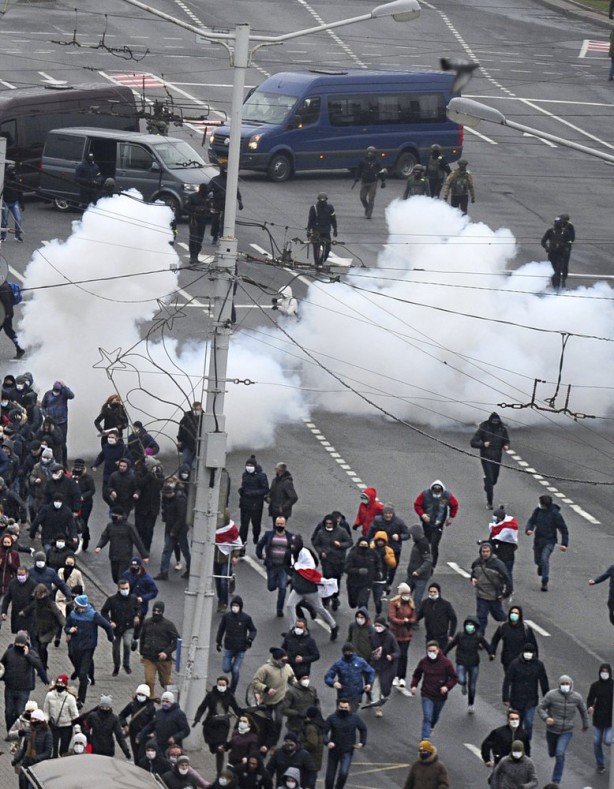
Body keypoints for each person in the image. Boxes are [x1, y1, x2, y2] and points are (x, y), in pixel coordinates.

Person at [64, 593, 114, 708]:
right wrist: (69, 630)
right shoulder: (73, 614)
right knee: (77, 667)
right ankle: (83, 676)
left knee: (82, 674)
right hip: (76, 645)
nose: (74, 606)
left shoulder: (93, 615)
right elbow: (66, 626)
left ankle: (81, 700)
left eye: (75, 604)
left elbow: (106, 625)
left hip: (88, 646)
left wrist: (110, 638)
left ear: (81, 606)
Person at [538, 674, 589, 785]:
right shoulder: (551, 695)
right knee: (552, 753)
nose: (565, 685)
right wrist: (546, 718)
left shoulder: (576, 697)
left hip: (566, 731)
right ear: (559, 685)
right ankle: (552, 752)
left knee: (560, 753)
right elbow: (540, 708)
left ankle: (556, 780)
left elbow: (583, 710)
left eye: (567, 684)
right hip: (552, 730)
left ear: (571, 685)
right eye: (563, 684)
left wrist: (586, 724)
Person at [285, 535, 338, 639]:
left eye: (294, 545)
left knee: (319, 609)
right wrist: (293, 578)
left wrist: (297, 574)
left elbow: (309, 569)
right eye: (291, 545)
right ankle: (292, 630)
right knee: (290, 605)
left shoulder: (306, 553)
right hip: (298, 588)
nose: (292, 547)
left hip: (309, 589)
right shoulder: (292, 554)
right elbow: (295, 569)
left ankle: (334, 626)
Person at [1, 630, 48, 733]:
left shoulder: (31, 653)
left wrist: (27, 656)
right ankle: (10, 731)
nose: (19, 647)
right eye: (17, 644)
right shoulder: (9, 652)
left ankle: (17, 731)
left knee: (19, 711)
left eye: (21, 645)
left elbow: (38, 665)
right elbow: (2, 665)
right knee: (9, 712)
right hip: (10, 687)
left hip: (24, 688)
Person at [193, 675, 242, 774]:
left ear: (227, 685)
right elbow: (202, 707)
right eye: (220, 684)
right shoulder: (210, 695)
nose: (221, 686)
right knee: (213, 747)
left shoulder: (229, 696)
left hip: (223, 725)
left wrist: (244, 716)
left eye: (223, 685)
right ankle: (214, 748)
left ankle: (219, 773)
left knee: (220, 748)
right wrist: (197, 718)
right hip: (211, 723)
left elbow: (236, 709)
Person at [443, 615, 492, 713]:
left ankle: (471, 704)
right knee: (460, 679)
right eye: (468, 624)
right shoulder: (460, 635)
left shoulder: (478, 637)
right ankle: (463, 684)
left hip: (473, 663)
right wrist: (444, 653)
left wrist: (491, 653)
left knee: (472, 686)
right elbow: (451, 645)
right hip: (461, 661)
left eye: (471, 625)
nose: (469, 627)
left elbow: (487, 646)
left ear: (475, 627)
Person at [410, 641, 457, 739]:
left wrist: (447, 687)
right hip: (427, 694)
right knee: (427, 717)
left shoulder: (446, 663)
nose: (432, 653)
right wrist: (414, 685)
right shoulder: (423, 662)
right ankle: (425, 740)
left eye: (434, 651)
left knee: (434, 717)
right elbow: (417, 674)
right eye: (429, 651)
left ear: (438, 650)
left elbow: (454, 678)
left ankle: (431, 727)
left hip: (440, 695)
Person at [503, 643, 549, 741]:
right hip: (516, 699)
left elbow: (544, 682)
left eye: (530, 652)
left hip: (531, 700)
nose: (528, 654)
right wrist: (505, 697)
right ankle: (516, 743)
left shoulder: (538, 665)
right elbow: (507, 681)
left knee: (528, 723)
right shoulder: (515, 664)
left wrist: (547, 699)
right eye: (526, 652)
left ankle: (526, 743)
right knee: (517, 724)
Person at [252, 647, 297, 747]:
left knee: (278, 722)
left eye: (286, 660)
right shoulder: (265, 669)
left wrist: (297, 685)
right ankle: (262, 741)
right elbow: (255, 682)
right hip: (266, 701)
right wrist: (266, 689)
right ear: (276, 659)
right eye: (283, 660)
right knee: (265, 722)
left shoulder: (287, 667)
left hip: (280, 699)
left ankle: (273, 744)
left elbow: (292, 679)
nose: (285, 662)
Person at [525, 494, 569, 592]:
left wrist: (564, 543)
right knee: (538, 560)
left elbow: (563, 529)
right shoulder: (538, 511)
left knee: (545, 558)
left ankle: (544, 581)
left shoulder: (555, 515)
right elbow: (531, 521)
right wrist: (529, 529)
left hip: (550, 540)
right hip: (538, 540)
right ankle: (540, 565)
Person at [96, 505, 149, 583]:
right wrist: (99, 546)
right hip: (113, 555)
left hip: (125, 556)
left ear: (121, 516)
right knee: (115, 577)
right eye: (112, 514)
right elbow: (105, 537)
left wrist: (144, 556)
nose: (113, 516)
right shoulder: (110, 526)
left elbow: (137, 541)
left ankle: (123, 588)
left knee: (121, 577)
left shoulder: (129, 527)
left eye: (115, 515)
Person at [216, 595, 257, 694]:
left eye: (237, 605)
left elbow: (253, 630)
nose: (235, 607)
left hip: (240, 648)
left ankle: (232, 690)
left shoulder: (246, 618)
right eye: (233, 605)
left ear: (240, 606)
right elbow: (221, 629)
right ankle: (233, 671)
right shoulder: (227, 617)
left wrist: (250, 639)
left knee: (235, 670)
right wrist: (218, 642)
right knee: (226, 669)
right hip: (229, 647)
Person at [413, 480, 459, 568]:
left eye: (439, 491)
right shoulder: (425, 494)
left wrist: (451, 517)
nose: (437, 492)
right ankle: (423, 561)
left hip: (438, 524)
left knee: (434, 544)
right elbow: (417, 504)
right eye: (435, 490)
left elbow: (454, 505)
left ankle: (432, 565)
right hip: (427, 523)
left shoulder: (446, 496)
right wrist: (422, 514)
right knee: (426, 543)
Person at [101, 577, 141, 676]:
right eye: (123, 588)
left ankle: (126, 664)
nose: (125, 590)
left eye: (127, 588)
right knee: (116, 649)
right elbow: (104, 612)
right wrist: (110, 621)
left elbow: (138, 609)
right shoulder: (112, 600)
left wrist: (137, 616)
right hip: (116, 628)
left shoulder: (133, 598)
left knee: (127, 643)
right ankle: (116, 666)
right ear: (119, 588)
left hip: (128, 626)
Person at [323, 698, 367, 789]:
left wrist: (362, 742)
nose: (343, 709)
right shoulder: (332, 718)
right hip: (334, 750)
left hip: (347, 750)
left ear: (349, 707)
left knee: (344, 773)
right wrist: (327, 742)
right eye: (341, 707)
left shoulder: (355, 718)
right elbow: (323, 732)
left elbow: (363, 729)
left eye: (345, 707)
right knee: (330, 777)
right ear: (338, 707)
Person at [312, 514, 352, 612]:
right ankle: (325, 599)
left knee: (336, 579)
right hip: (327, 560)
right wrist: (321, 552)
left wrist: (340, 545)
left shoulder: (342, 531)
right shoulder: (321, 532)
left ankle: (335, 597)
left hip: (339, 560)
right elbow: (316, 543)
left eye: (330, 523)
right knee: (327, 578)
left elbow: (350, 542)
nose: (328, 525)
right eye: (327, 523)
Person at [139, 600, 179, 697]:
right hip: (149, 658)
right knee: (149, 681)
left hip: (164, 660)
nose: (156, 613)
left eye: (158, 611)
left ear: (162, 612)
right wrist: (142, 653)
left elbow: (176, 640)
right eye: (154, 611)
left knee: (166, 682)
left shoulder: (168, 625)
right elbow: (142, 637)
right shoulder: (147, 623)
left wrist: (166, 652)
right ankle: (151, 699)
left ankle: (173, 697)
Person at [470, 412, 510, 509]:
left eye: (497, 421)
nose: (495, 423)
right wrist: (483, 444)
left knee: (494, 480)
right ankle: (489, 502)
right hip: (486, 458)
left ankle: (487, 485)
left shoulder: (502, 429)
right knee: (490, 479)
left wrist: (506, 446)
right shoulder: (484, 428)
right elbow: (473, 442)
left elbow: (506, 440)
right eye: (493, 421)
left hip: (497, 458)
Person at [470, 542, 512, 636]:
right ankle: (480, 637)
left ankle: (512, 626)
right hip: (481, 595)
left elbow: (507, 579)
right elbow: (473, 573)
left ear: (491, 552)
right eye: (483, 551)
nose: (485, 553)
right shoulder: (477, 562)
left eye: (487, 551)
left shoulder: (498, 564)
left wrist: (505, 594)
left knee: (499, 616)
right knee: (481, 617)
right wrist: (473, 578)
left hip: (494, 596)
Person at [256, 517, 293, 618]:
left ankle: (279, 609)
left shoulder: (290, 537)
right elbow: (260, 544)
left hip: (283, 566)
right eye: (278, 524)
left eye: (281, 524)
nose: (280, 526)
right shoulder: (269, 535)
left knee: (282, 588)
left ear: (285, 524)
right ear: (275, 524)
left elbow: (295, 549)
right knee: (271, 587)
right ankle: (280, 582)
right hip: (272, 566)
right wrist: (260, 555)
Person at [367, 504, 409, 592]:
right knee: (377, 564)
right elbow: (371, 531)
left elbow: (407, 534)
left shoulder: (399, 522)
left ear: (393, 514)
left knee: (392, 567)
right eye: (386, 513)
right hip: (380, 546)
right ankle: (374, 580)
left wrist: (399, 537)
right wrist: (367, 541)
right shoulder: (377, 520)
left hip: (394, 548)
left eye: (390, 513)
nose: (388, 515)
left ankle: (388, 583)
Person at [155, 480, 190, 581]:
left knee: (182, 551)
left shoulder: (180, 499)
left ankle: (165, 572)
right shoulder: (172, 499)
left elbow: (181, 517)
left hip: (178, 530)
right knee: (170, 551)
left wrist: (173, 530)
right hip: (172, 529)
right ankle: (164, 572)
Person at [325, 643, 375, 713]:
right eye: (346, 652)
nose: (348, 654)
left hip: (356, 694)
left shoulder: (360, 662)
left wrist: (369, 683)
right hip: (343, 694)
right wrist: (333, 683)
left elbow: (371, 671)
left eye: (349, 652)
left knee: (350, 713)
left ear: (353, 651)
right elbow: (328, 677)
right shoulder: (338, 664)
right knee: (341, 714)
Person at [12, 708, 52, 787]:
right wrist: (17, 759)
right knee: (23, 783)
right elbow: (24, 748)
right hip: (26, 762)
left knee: (33, 785)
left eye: (35, 719)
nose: (33, 721)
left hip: (38, 765)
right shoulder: (28, 730)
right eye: (32, 719)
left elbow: (48, 752)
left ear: (40, 720)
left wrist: (36, 758)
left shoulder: (47, 733)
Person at [82, 693, 131, 758]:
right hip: (105, 748)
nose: (105, 708)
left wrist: (89, 739)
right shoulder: (113, 718)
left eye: (106, 707)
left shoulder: (93, 716)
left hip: (98, 747)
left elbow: (119, 736)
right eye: (103, 706)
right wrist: (125, 749)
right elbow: (119, 736)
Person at [368, 615, 399, 717]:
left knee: (385, 688)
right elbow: (370, 649)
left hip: (387, 667)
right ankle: (377, 708)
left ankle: (376, 698)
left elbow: (397, 652)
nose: (378, 627)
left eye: (379, 625)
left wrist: (391, 656)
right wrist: (373, 654)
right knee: (375, 686)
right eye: (376, 625)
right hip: (376, 665)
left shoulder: (390, 637)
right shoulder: (373, 636)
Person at [490, 606, 538, 673]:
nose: (514, 614)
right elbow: (495, 639)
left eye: (516, 613)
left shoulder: (525, 629)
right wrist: (492, 652)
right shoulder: (503, 627)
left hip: (521, 661)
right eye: (512, 613)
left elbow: (533, 644)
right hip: (507, 660)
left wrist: (535, 659)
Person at [388, 583, 416, 692]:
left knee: (404, 655)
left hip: (406, 634)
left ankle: (402, 677)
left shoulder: (411, 604)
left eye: (408, 594)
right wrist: (402, 621)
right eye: (404, 594)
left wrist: (409, 621)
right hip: (395, 633)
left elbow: (414, 617)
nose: (406, 596)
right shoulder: (394, 603)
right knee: (396, 654)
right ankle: (395, 675)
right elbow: (392, 617)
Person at [119, 683, 156, 765]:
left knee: (142, 755)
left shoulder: (150, 708)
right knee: (136, 755)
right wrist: (125, 725)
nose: (140, 696)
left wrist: (152, 732)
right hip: (133, 734)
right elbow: (121, 716)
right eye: (139, 694)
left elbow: (153, 722)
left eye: (143, 695)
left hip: (145, 735)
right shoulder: (132, 705)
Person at [587, 663, 613, 774]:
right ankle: (600, 764)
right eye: (603, 671)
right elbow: (590, 699)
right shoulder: (595, 686)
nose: (604, 673)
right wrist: (590, 707)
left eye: (606, 671)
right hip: (598, 719)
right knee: (596, 742)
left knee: (608, 740)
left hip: (610, 720)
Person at [238, 455, 269, 548]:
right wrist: (242, 491)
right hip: (245, 505)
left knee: (256, 525)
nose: (249, 467)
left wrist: (253, 493)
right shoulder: (245, 475)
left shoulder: (261, 476)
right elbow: (244, 486)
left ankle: (256, 536)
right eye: (247, 465)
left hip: (256, 506)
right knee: (244, 526)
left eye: (251, 465)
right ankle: (242, 545)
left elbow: (265, 489)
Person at [344, 536, 381, 610]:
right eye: (362, 545)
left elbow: (378, 564)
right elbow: (346, 568)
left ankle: (363, 615)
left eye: (365, 545)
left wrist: (378, 572)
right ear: (358, 545)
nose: (364, 547)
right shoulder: (353, 554)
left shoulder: (373, 553)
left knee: (363, 602)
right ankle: (355, 604)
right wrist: (358, 571)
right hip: (353, 583)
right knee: (353, 604)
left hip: (367, 583)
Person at [209, 166, 243, 244]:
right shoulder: (215, 179)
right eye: (225, 170)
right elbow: (208, 189)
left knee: (225, 221)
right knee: (215, 221)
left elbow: (237, 191)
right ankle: (214, 236)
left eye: (227, 170)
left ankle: (222, 236)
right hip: (217, 202)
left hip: (228, 203)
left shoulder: (232, 179)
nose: (226, 172)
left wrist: (240, 201)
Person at [416, 582, 457, 648]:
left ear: (439, 592)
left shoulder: (446, 605)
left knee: (442, 653)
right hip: (430, 636)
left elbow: (453, 619)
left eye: (434, 592)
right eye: (431, 592)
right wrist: (409, 622)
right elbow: (419, 616)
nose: (432, 594)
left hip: (442, 637)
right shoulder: (425, 603)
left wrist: (451, 634)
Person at [541, 215, 574, 290]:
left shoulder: (565, 232)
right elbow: (543, 241)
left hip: (560, 255)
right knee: (553, 271)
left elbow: (569, 243)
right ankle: (555, 286)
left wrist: (563, 247)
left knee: (558, 272)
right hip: (552, 254)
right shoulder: (550, 231)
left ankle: (557, 288)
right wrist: (547, 248)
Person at [486, 505, 519, 582]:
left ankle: (508, 587)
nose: (494, 520)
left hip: (507, 553)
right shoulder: (497, 526)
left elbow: (497, 539)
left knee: (507, 572)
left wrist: (484, 542)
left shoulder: (508, 527)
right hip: (500, 551)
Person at [353, 146, 386, 219]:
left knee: (371, 198)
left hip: (373, 182)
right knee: (362, 197)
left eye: (371, 152)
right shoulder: (363, 161)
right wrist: (356, 177)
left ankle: (369, 214)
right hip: (364, 182)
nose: (369, 154)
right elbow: (359, 170)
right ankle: (367, 207)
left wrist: (383, 181)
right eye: (368, 152)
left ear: (374, 154)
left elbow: (381, 172)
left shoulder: (377, 162)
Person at [2, 565, 37, 633]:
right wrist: (4, 612)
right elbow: (7, 598)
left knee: (25, 634)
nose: (20, 576)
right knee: (18, 634)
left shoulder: (33, 584)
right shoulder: (12, 583)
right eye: (19, 574)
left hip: (29, 615)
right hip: (16, 614)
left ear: (27, 574)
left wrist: (25, 611)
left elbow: (35, 601)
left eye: (22, 575)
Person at [404, 524, 432, 606]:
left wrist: (418, 571)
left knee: (417, 599)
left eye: (412, 534)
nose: (411, 536)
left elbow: (428, 560)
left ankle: (416, 612)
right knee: (403, 595)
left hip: (420, 577)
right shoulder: (418, 542)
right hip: (411, 575)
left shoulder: (423, 544)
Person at [307, 192, 337, 267]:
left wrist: (335, 229)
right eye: (321, 199)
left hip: (326, 232)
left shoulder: (330, 208)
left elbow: (333, 219)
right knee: (316, 249)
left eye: (324, 199)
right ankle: (317, 263)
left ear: (326, 199)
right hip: (316, 232)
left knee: (327, 249)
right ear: (318, 199)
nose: (322, 201)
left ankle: (322, 261)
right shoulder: (313, 208)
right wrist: (308, 230)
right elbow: (310, 220)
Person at [186, 183, 212, 263]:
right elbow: (186, 207)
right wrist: (197, 209)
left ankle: (196, 256)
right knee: (194, 239)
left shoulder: (207, 198)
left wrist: (208, 210)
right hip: (194, 220)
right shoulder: (192, 197)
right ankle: (192, 257)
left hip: (202, 220)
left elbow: (209, 208)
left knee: (200, 239)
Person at [0, 280, 25, 359]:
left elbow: (7, 303)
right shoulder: (3, 285)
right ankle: (20, 348)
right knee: (10, 332)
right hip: (4, 314)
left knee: (10, 332)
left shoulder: (3, 288)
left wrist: (7, 314)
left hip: (5, 315)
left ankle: (20, 349)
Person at [1, 164, 24, 242]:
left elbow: (20, 191)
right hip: (6, 202)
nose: (13, 173)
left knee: (18, 219)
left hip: (14, 202)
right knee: (4, 221)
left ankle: (17, 236)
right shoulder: (4, 179)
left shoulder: (17, 180)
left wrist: (22, 203)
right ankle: (2, 236)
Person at [176, 401, 202, 469]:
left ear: (201, 409)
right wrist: (180, 440)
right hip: (187, 444)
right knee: (186, 462)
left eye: (197, 409)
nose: (196, 411)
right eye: (194, 409)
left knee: (197, 466)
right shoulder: (187, 417)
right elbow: (181, 429)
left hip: (200, 446)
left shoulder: (205, 417)